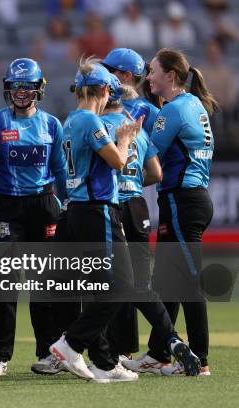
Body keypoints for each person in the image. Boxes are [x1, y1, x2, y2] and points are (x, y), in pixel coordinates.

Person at [48, 58, 201, 382]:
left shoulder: (70, 121)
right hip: (98, 208)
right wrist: (126, 139)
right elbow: (119, 161)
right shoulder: (91, 121)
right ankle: (71, 344)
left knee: (104, 286)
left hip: (78, 207)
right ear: (104, 90)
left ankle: (103, 362)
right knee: (122, 286)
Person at [0, 58, 67, 376]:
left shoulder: (52, 124)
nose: (21, 93)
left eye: (27, 87)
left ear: (39, 89)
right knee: (4, 283)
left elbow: (60, 169)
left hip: (43, 207)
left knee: (46, 284)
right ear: (7, 89)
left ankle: (48, 353)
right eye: (15, 86)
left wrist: (65, 203)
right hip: (7, 209)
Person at [128, 48, 217, 376]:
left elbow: (151, 152)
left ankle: (201, 361)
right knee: (167, 282)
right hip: (192, 199)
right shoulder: (192, 103)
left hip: (182, 201)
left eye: (152, 71)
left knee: (188, 284)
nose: (147, 77)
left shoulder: (175, 110)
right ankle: (158, 354)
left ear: (170, 75)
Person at [100, 76, 162, 361]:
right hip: (138, 205)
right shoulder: (138, 130)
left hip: (113, 206)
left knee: (115, 280)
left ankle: (118, 349)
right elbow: (156, 173)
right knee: (141, 283)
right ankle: (167, 340)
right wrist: (133, 183)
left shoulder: (98, 126)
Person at [102, 48, 160, 134]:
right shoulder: (101, 101)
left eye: (109, 70)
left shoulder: (145, 109)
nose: (103, 73)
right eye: (103, 68)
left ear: (127, 75)